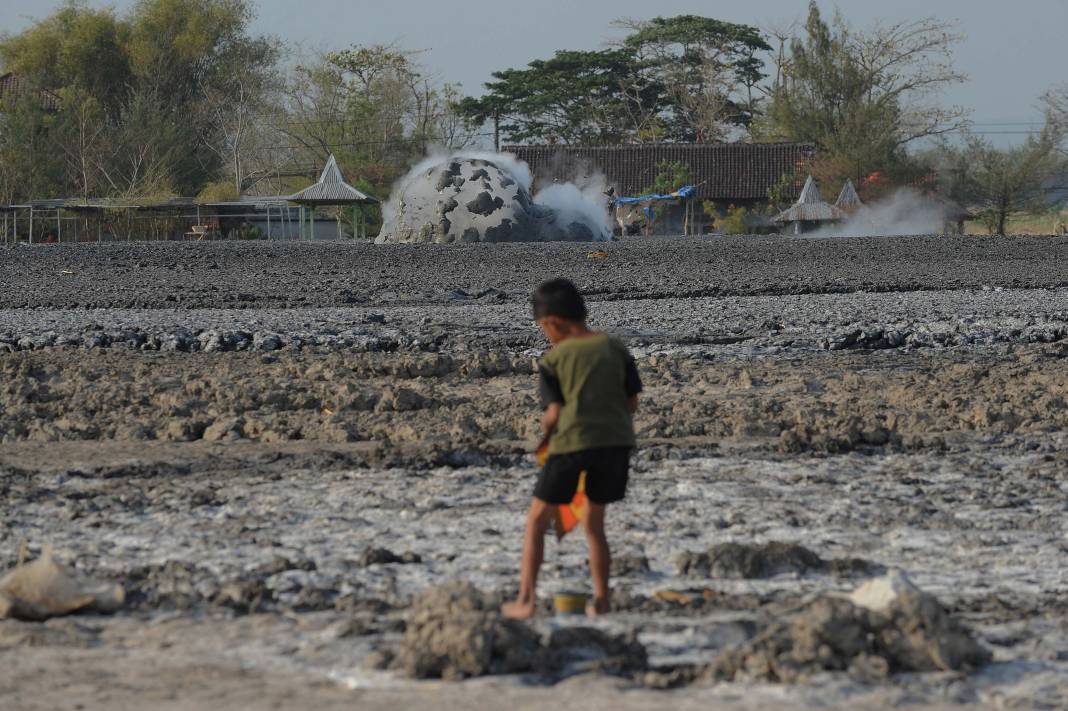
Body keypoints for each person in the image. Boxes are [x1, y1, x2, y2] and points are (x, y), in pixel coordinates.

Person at [502, 278, 642, 619]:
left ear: (552, 322)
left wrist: (545, 432)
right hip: (616, 446)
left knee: (537, 521)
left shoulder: (555, 359)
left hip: (572, 444)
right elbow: (632, 403)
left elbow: (554, 413)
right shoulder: (615, 348)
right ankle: (602, 600)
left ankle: (526, 600)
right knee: (595, 526)